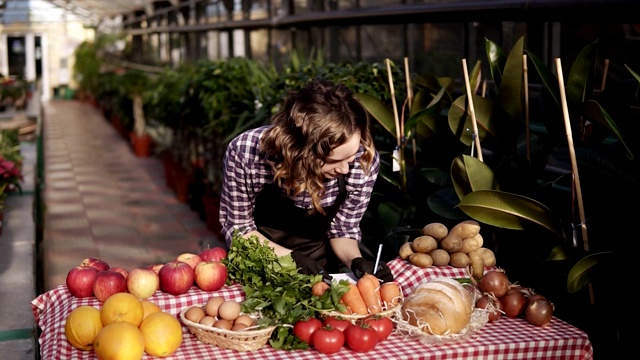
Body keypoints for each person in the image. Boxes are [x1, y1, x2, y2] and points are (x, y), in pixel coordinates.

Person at [219, 78, 393, 283]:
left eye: (350, 157)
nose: (345, 168)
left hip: (319, 268)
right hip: (258, 263)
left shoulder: (363, 160)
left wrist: (356, 261)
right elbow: (239, 229)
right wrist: (289, 258)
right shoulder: (246, 152)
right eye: (332, 161)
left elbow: (343, 229)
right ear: (299, 151)